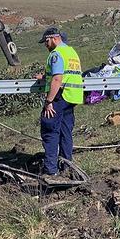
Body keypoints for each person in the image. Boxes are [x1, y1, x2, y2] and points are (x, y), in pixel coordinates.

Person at [36, 27, 83, 176]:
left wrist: (49, 101)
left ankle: (50, 170)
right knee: (65, 132)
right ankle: (67, 167)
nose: (45, 45)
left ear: (54, 38)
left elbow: (57, 78)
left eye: (46, 41)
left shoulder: (56, 54)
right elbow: (66, 73)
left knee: (50, 131)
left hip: (59, 96)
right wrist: (44, 78)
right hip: (72, 97)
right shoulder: (71, 52)